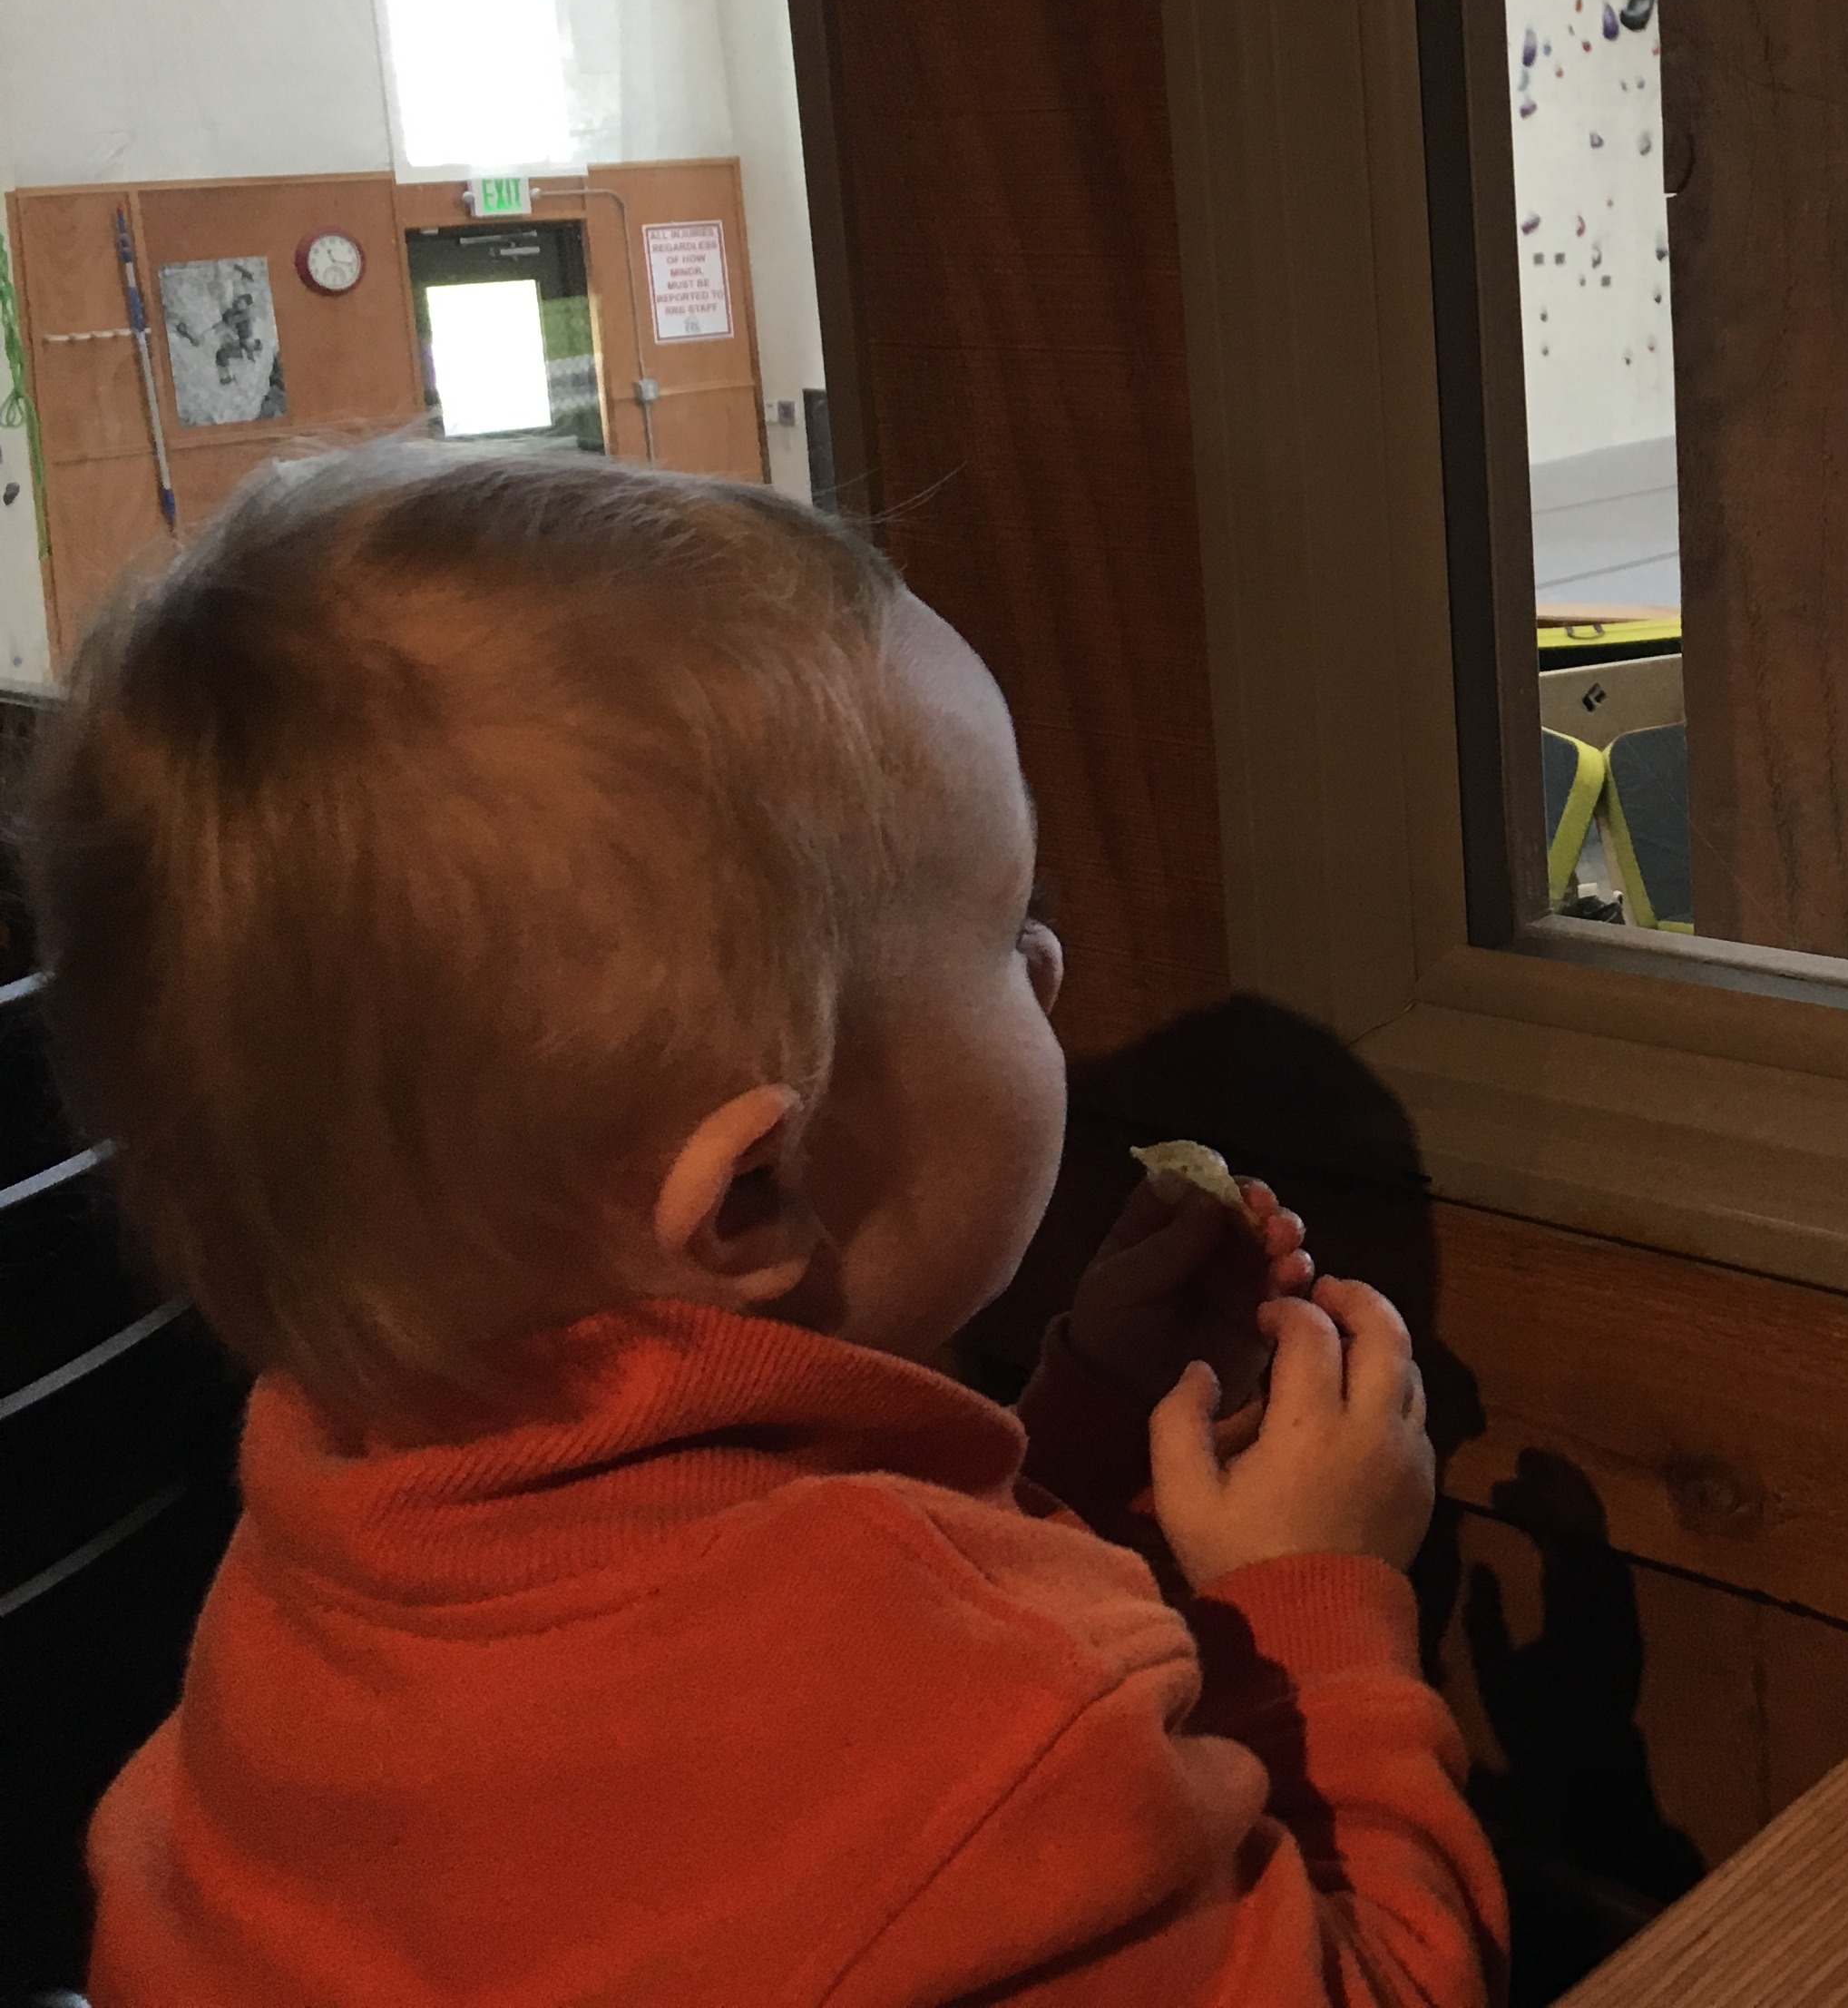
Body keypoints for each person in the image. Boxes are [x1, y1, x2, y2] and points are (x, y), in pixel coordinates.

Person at [24, 445, 1501, 2007]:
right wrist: (1309, 1595)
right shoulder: (970, 1718)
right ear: (748, 1192)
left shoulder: (342, 1502)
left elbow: (842, 1703)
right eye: (1005, 922)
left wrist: (1081, 1427)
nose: (1054, 964)